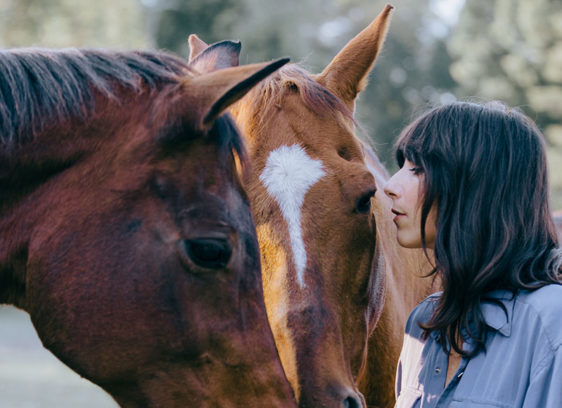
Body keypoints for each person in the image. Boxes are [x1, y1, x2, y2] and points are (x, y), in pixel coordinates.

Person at [383, 101, 562, 408]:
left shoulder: (551, 321)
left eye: (417, 169)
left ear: (476, 186)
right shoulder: (424, 321)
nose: (390, 185)